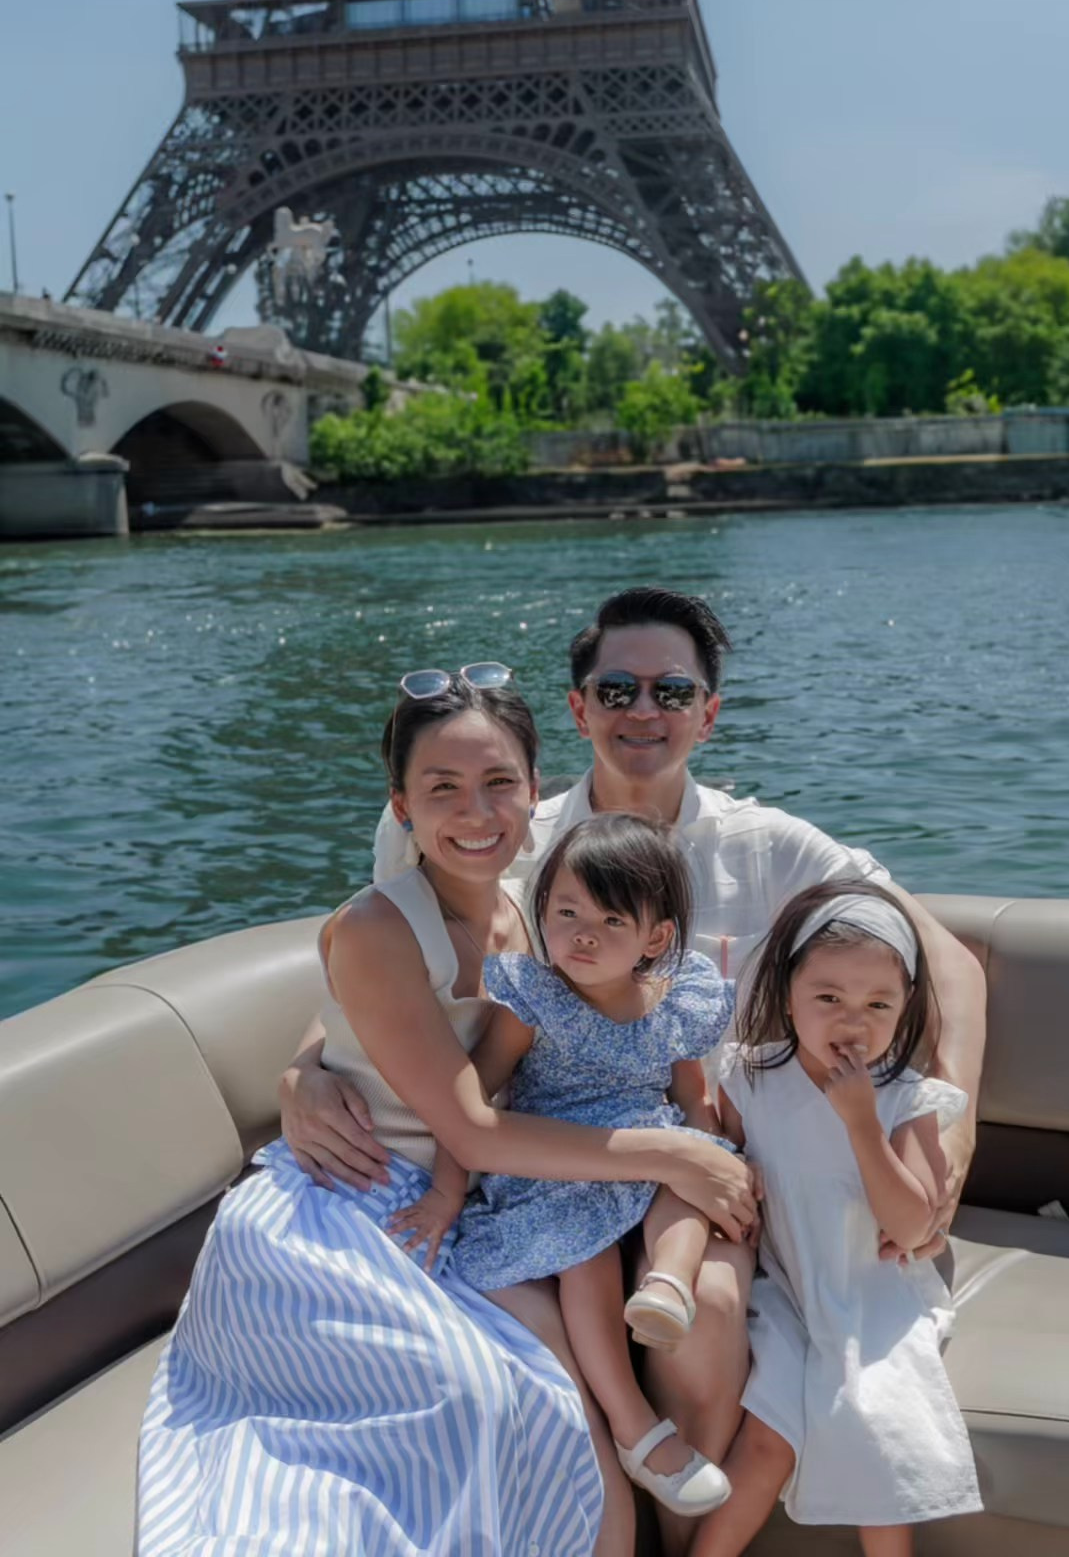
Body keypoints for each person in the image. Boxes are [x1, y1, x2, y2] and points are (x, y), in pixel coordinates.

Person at [284, 586, 986, 1556]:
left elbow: (944, 958)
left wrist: (951, 1119)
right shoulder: (506, 837)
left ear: (709, 710)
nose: (642, 710)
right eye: (616, 688)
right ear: (578, 710)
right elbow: (387, 976)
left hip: (723, 1177)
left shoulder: (771, 845)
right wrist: (307, 1066)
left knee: (703, 1308)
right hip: (552, 1158)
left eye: (670, 689)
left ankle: (670, 1528)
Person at [138, 667, 757, 1557]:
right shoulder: (379, 927)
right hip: (367, 1198)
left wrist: (306, 1060)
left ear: (534, 790)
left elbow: (391, 1024)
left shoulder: (532, 908)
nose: (476, 812)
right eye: (442, 789)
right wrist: (672, 1155)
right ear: (400, 805)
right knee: (508, 1395)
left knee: (551, 1393)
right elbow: (462, 1119)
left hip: (492, 1190)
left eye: (499, 783)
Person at [392, 811, 742, 1518]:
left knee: (691, 1169)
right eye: (565, 912)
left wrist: (718, 1165)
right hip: (555, 1162)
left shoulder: (678, 999)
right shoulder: (535, 1000)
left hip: (648, 1149)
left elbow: (691, 1100)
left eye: (612, 921)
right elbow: (473, 1096)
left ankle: (668, 1288)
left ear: (657, 938)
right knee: (586, 1252)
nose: (582, 933)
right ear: (541, 912)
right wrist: (446, 1193)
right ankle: (635, 1428)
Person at [691, 879, 981, 1556]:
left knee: (871, 1423)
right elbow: (728, 1164)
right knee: (767, 1442)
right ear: (787, 994)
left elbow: (910, 1229)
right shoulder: (748, 1078)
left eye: (877, 1003)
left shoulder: (908, 1100)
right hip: (785, 1291)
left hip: (873, 1297)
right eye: (828, 999)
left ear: (906, 1004)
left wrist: (860, 1125)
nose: (853, 1022)